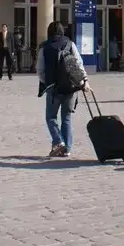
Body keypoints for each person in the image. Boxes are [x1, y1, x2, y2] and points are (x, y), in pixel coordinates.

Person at [38, 21, 88, 157]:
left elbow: (40, 70)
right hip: (70, 87)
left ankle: (58, 141)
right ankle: (67, 149)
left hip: (53, 88)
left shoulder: (44, 47)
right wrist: (84, 81)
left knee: (50, 117)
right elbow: (78, 63)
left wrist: (47, 82)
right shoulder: (70, 44)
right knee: (66, 118)